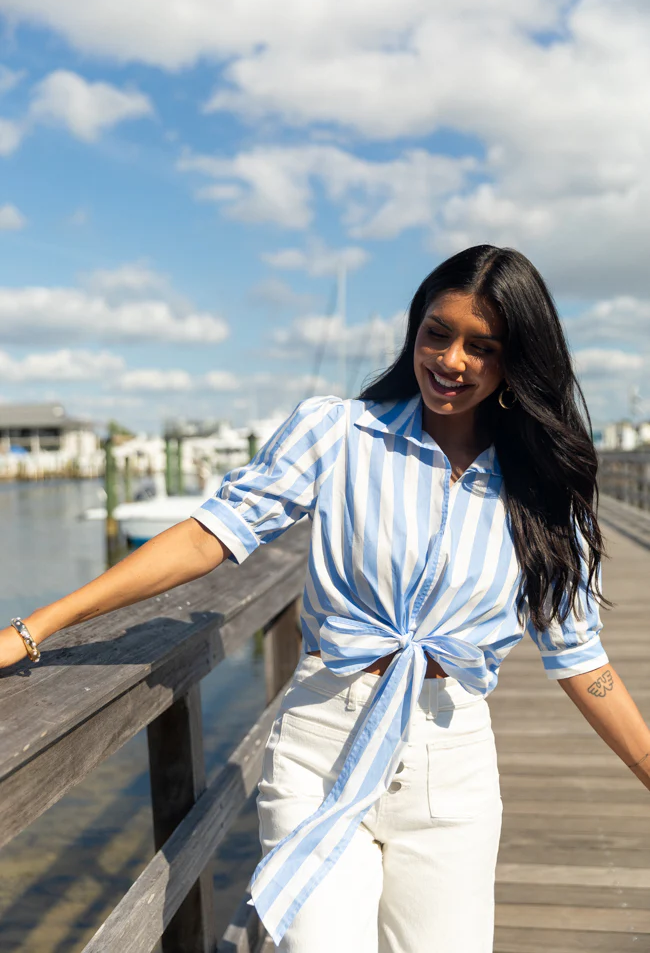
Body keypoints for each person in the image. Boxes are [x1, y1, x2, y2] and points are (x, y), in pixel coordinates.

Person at [1, 244, 649, 953]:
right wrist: (38, 624)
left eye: (481, 346)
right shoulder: (338, 432)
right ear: (415, 331)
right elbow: (209, 535)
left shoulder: (540, 489)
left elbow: (580, 656)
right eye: (438, 332)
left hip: (450, 761)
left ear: (514, 363)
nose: (451, 359)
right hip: (322, 738)